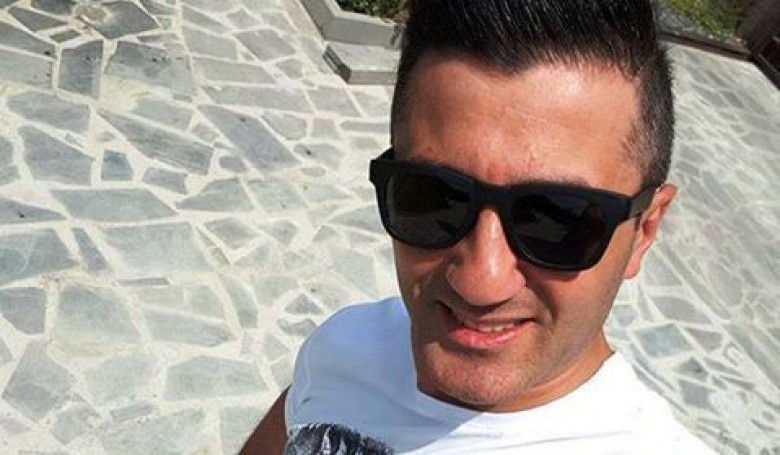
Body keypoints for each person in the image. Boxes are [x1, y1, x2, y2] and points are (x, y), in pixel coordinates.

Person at [244, 0, 717, 453]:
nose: (480, 281)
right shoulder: (343, 348)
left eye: (559, 219)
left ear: (644, 231)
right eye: (433, 195)